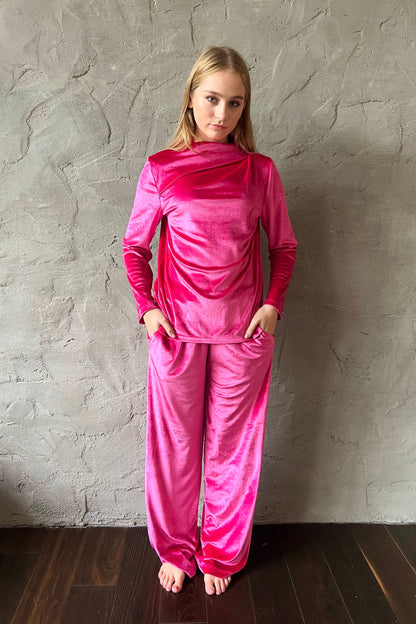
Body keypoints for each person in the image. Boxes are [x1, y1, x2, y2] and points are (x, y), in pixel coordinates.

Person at [122, 45, 297, 596]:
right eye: (212, 99)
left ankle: (220, 548)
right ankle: (176, 548)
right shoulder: (161, 168)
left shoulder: (260, 171)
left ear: (246, 108)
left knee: (231, 449)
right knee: (174, 449)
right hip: (175, 332)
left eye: (235, 103)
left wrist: (272, 304)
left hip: (243, 335)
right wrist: (148, 309)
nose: (222, 113)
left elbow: (284, 247)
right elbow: (134, 248)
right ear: (191, 99)